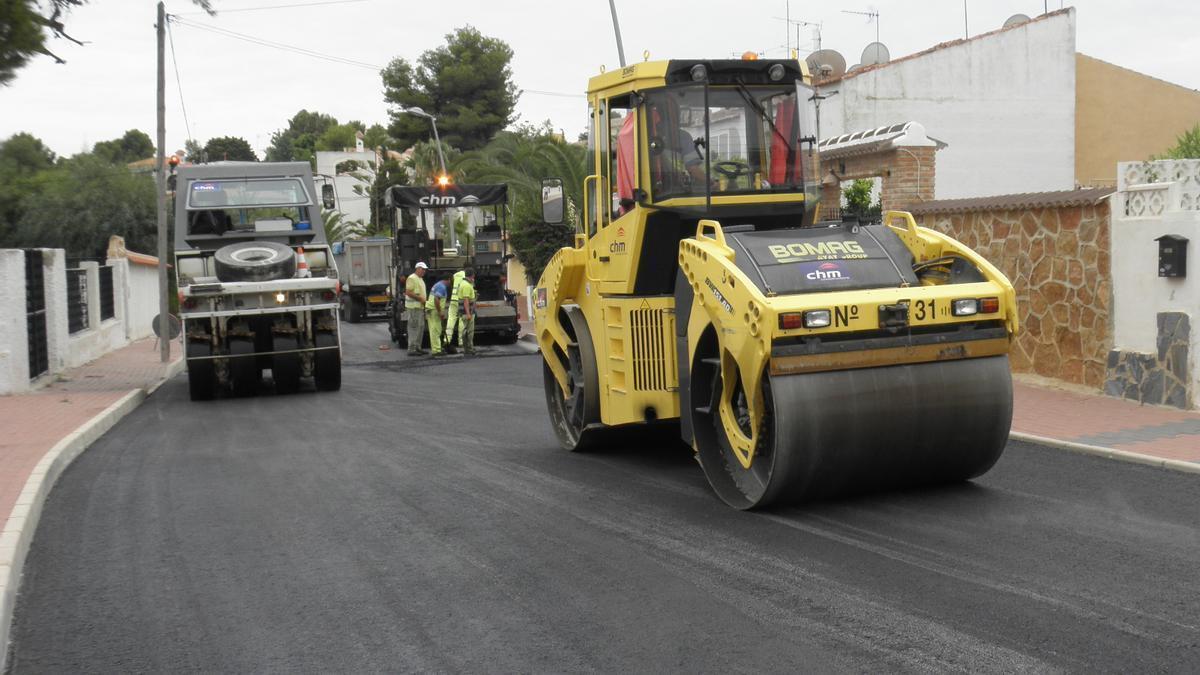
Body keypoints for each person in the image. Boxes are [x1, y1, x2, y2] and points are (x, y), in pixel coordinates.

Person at [404, 262, 428, 356]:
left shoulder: (420, 279)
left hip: (419, 307)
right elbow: (408, 292)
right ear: (417, 268)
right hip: (413, 308)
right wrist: (420, 299)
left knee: (420, 327)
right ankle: (411, 348)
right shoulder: (412, 278)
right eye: (422, 269)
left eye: (425, 270)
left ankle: (417, 347)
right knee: (413, 328)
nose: (424, 271)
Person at [425, 273, 451, 357]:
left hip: (431, 309)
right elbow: (436, 299)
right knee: (436, 330)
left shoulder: (437, 285)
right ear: (448, 279)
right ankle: (436, 350)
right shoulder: (442, 287)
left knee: (434, 329)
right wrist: (440, 311)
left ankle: (436, 348)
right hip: (434, 310)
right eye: (451, 280)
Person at [443, 268, 467, 353]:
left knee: (451, 319)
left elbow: (451, 287)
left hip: (453, 300)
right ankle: (461, 341)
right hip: (460, 300)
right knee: (461, 320)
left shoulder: (455, 275)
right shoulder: (466, 276)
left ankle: (447, 339)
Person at [456, 268, 478, 356]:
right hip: (466, 313)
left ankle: (468, 348)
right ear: (472, 275)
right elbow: (466, 300)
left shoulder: (464, 284)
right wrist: (468, 313)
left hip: (465, 312)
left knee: (467, 331)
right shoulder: (466, 285)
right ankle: (469, 348)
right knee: (469, 331)